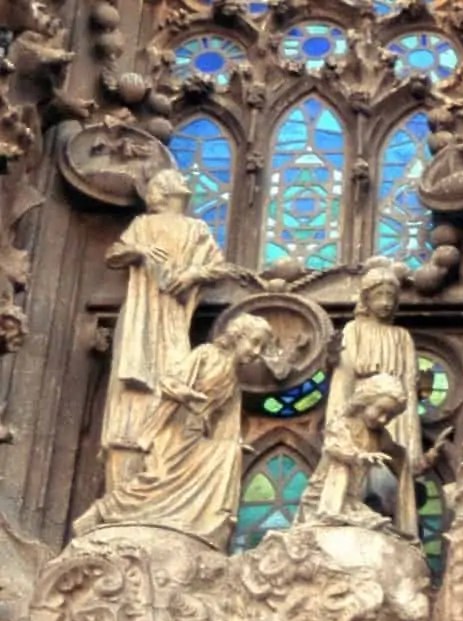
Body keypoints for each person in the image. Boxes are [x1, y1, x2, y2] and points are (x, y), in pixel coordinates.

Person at [74, 314, 273, 549]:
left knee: (229, 454)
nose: (257, 352)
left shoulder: (233, 382)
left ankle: (205, 525)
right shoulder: (206, 354)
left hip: (197, 434)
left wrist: (235, 444)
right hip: (175, 427)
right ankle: (101, 512)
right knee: (157, 479)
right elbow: (169, 382)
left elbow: (226, 424)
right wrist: (185, 394)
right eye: (255, 342)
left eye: (263, 347)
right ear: (238, 336)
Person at [100, 169, 236, 490]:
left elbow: (219, 267)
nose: (182, 184)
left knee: (175, 366)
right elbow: (114, 254)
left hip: (175, 310)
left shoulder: (196, 227)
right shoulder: (143, 225)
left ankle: (167, 444)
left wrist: (192, 275)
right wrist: (141, 251)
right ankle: (137, 449)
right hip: (143, 309)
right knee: (138, 371)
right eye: (173, 181)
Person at [327, 258, 424, 539]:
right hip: (363, 408)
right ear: (365, 300)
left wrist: (412, 439)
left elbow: (408, 384)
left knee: (389, 475)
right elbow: (344, 377)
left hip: (394, 413)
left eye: (390, 297)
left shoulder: (402, 336)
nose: (384, 302)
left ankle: (390, 531)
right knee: (361, 472)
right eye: (378, 295)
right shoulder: (353, 330)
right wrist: (340, 419)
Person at [297, 374, 409, 530]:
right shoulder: (342, 422)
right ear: (364, 401)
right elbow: (334, 447)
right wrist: (360, 456)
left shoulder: (380, 435)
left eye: (390, 416)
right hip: (326, 492)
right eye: (380, 410)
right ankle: (331, 511)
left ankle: (348, 508)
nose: (383, 419)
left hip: (352, 496)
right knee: (340, 463)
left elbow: (399, 458)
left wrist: (425, 459)